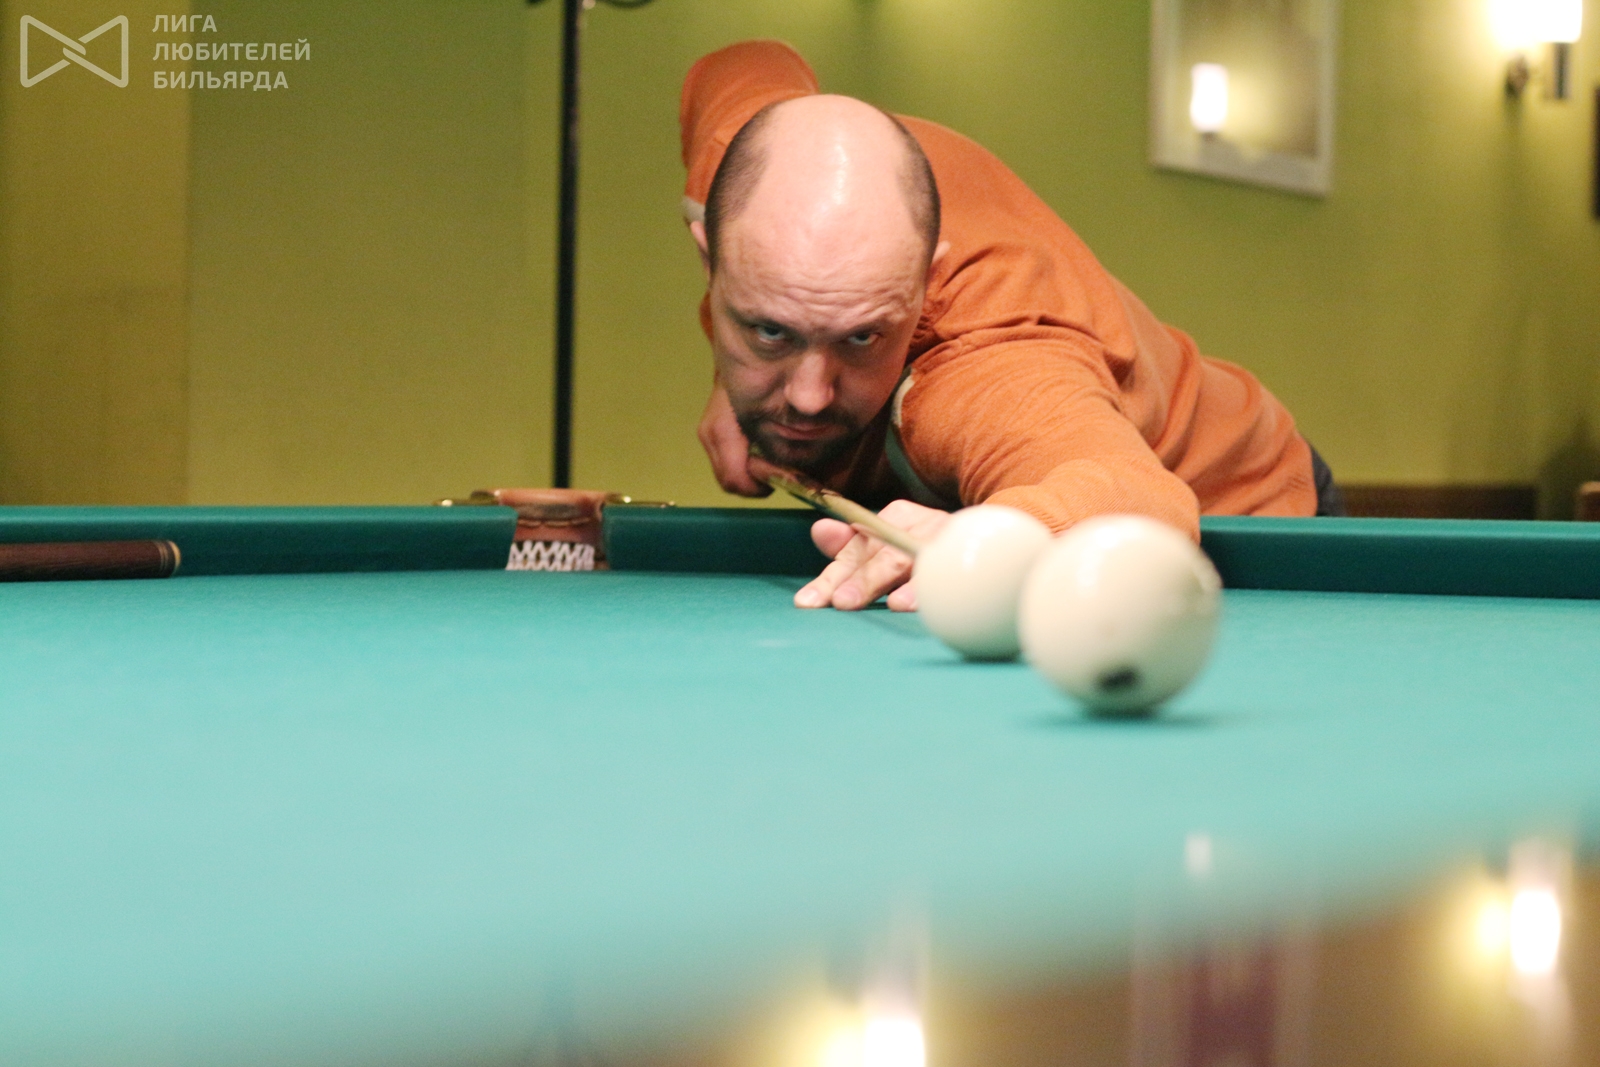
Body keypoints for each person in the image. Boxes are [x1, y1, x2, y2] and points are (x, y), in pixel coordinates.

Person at [680, 40, 1341, 613]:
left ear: (923, 285)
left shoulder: (985, 370)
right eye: (770, 330)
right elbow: (745, 62)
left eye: (861, 338)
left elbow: (1142, 500)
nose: (807, 396)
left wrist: (994, 539)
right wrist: (732, 381)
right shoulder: (747, 157)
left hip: (1240, 521)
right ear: (713, 255)